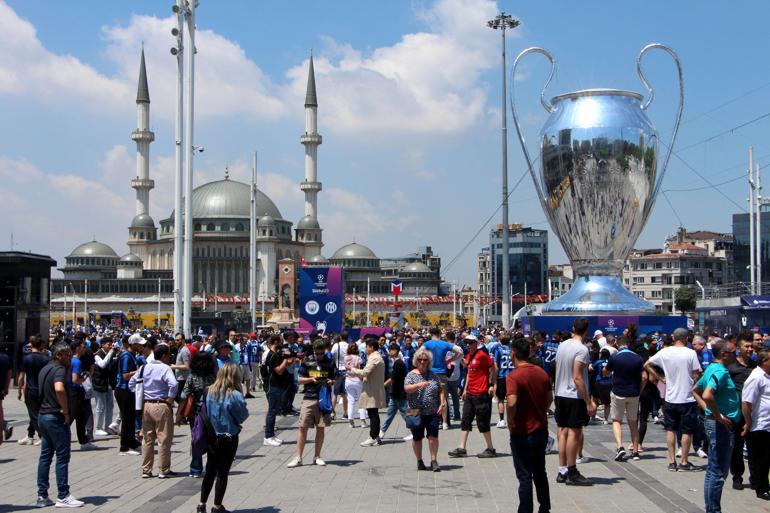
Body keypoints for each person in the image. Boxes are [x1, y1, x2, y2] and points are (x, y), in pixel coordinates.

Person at [692, 340, 740, 513]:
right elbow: (706, 394)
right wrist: (717, 415)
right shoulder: (719, 371)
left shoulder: (712, 368)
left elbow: (695, 390)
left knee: (713, 470)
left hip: (716, 423)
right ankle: (713, 510)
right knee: (718, 472)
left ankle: (711, 509)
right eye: (734, 352)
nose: (737, 355)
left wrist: (708, 411)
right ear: (723, 354)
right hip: (721, 427)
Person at [645, 327, 702, 471]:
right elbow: (696, 375)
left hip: (670, 397)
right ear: (686, 338)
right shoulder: (691, 353)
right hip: (687, 397)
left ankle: (671, 461)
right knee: (687, 431)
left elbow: (647, 364)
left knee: (671, 429)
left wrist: (660, 378)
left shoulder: (665, 352)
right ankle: (684, 460)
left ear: (674, 338)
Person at [35, 342, 84, 508]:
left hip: (43, 415)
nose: (70, 358)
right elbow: (59, 388)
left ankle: (42, 495)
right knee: (62, 457)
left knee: (45, 456)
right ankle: (63, 495)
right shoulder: (59, 369)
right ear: (58, 356)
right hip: (55, 416)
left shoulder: (45, 368)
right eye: (67, 355)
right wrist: (65, 411)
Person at [507, 337, 552, 513]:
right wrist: (540, 411)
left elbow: (511, 402)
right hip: (541, 429)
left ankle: (525, 510)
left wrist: (511, 419)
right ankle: (545, 507)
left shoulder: (514, 376)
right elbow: (549, 399)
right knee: (540, 471)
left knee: (525, 475)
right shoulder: (541, 373)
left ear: (513, 354)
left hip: (522, 432)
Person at [196, 363, 249, 513]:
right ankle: (217, 506)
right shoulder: (235, 394)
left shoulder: (208, 391)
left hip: (211, 436)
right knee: (222, 473)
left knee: (210, 470)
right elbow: (242, 416)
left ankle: (201, 504)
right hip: (228, 437)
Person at [553, 318, 595, 486]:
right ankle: (572, 470)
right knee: (574, 433)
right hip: (573, 395)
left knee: (562, 431)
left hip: (560, 393)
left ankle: (562, 469)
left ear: (573, 328)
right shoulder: (582, 349)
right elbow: (577, 377)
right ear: (586, 331)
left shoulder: (562, 345)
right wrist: (588, 401)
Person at [129, 343, 178, 478]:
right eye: (168, 355)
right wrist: (170, 398)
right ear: (163, 356)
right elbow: (173, 384)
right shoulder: (165, 368)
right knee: (163, 438)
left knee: (147, 439)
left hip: (146, 405)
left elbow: (131, 383)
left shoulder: (144, 367)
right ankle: (163, 469)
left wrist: (140, 395)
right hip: (161, 404)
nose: (170, 358)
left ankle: (146, 469)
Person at [448, 334, 497, 458]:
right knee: (466, 420)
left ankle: (490, 448)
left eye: (470, 343)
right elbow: (469, 373)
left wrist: (491, 384)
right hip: (470, 393)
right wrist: (465, 390)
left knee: (482, 422)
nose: (468, 345)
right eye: (466, 343)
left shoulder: (482, 355)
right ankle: (462, 448)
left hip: (481, 393)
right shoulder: (469, 356)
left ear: (476, 343)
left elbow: (494, 367)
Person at [288, 340, 335, 467]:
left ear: (324, 350)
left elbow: (335, 378)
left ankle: (317, 456)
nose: (319, 355)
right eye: (317, 353)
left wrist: (331, 381)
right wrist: (311, 379)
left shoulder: (330, 361)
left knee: (321, 428)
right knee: (302, 427)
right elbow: (299, 379)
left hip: (323, 398)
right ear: (313, 350)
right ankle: (298, 457)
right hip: (309, 397)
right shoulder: (307, 361)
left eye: (321, 353)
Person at [404, 347, 446, 472]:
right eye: (420, 359)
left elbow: (441, 389)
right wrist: (418, 385)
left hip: (432, 411)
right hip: (414, 410)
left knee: (433, 437)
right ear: (416, 361)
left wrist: (442, 402)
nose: (422, 362)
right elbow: (406, 389)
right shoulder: (411, 375)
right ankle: (419, 461)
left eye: (425, 360)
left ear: (429, 361)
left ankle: (434, 460)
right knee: (417, 438)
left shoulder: (433, 375)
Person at [604, 336, 645, 461]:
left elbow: (606, 371)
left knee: (616, 420)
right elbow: (644, 377)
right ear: (628, 344)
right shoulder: (638, 358)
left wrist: (606, 372)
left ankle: (620, 446)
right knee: (633, 422)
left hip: (618, 392)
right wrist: (640, 390)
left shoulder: (615, 357)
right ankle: (636, 451)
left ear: (618, 344)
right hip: (633, 393)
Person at [180, 351, 217, 478]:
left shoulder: (192, 376)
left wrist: (179, 414)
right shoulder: (214, 376)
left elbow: (184, 395)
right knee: (212, 440)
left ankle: (196, 469)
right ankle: (212, 467)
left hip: (197, 412)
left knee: (196, 438)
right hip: (212, 411)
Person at [726, 332, 756, 490]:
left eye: (751, 346)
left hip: (753, 412)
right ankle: (737, 476)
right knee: (736, 446)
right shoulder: (731, 367)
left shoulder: (755, 366)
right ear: (739, 348)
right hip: (736, 412)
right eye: (747, 346)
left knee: (754, 446)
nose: (750, 349)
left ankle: (755, 477)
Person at [741, 350, 770, 501]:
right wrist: (748, 422)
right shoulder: (756, 377)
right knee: (761, 459)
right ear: (764, 361)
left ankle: (762, 483)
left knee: (765, 458)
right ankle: (761, 487)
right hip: (760, 424)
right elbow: (746, 402)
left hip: (767, 424)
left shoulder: (767, 376)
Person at [347, 338, 386, 447]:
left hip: (372, 390)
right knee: (373, 413)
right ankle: (376, 436)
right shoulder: (375, 357)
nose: (365, 349)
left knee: (372, 413)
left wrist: (352, 369)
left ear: (371, 347)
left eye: (366, 347)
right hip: (373, 388)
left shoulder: (374, 358)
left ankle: (372, 437)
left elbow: (365, 372)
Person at [423, 327, 463, 430]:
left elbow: (418, 354)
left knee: (431, 397)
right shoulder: (445, 344)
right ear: (440, 334)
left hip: (431, 373)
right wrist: (450, 360)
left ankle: (434, 420)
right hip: (442, 373)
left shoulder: (427, 344)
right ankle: (445, 422)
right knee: (443, 398)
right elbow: (460, 351)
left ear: (430, 333)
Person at [17, 335, 50, 445]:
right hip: (42, 389)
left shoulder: (26, 359)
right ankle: (30, 435)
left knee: (34, 414)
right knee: (36, 412)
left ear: (31, 345)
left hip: (30, 389)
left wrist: (19, 389)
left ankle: (43, 436)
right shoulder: (45, 359)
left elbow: (21, 376)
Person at [263, 335, 294, 447]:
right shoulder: (272, 355)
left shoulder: (277, 354)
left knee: (274, 411)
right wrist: (286, 359)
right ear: (275, 342)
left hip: (278, 385)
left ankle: (271, 435)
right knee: (272, 412)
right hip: (273, 386)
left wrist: (293, 357)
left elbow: (288, 364)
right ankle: (268, 436)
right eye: (280, 341)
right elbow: (279, 370)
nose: (282, 343)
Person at [115, 334, 143, 455]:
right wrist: (140, 371)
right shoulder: (126, 356)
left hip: (130, 390)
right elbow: (125, 375)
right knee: (127, 418)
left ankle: (131, 442)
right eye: (139, 344)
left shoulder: (133, 355)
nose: (141, 346)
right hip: (124, 390)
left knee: (131, 418)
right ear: (134, 344)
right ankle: (124, 447)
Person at [69, 337, 96, 450]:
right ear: (77, 348)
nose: (84, 348)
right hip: (76, 391)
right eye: (82, 346)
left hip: (74, 391)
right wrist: (83, 379)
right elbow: (75, 379)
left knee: (80, 417)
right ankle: (57, 438)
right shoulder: (77, 362)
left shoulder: (71, 360)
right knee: (72, 416)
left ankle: (84, 441)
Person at [379, 343, 410, 440]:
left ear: (395, 351)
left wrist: (381, 386)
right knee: (390, 414)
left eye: (391, 350)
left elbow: (393, 379)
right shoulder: (398, 363)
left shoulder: (399, 363)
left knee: (406, 414)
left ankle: (415, 430)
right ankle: (381, 433)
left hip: (400, 393)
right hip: (395, 393)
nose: (389, 352)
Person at [91, 336, 116, 436]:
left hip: (108, 384)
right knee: (100, 407)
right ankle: (98, 427)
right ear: (102, 345)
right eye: (108, 344)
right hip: (99, 383)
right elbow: (102, 365)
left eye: (111, 344)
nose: (110, 346)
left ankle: (108, 426)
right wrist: (110, 354)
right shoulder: (97, 355)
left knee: (110, 406)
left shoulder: (110, 354)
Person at [344, 342, 367, 428]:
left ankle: (351, 420)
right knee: (361, 400)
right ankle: (363, 421)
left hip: (348, 380)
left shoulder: (346, 358)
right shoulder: (358, 358)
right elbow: (361, 368)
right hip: (357, 380)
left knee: (351, 400)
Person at [494, 336, 512, 429]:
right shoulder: (512, 349)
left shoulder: (498, 349)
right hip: (511, 376)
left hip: (501, 376)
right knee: (510, 399)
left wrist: (494, 377)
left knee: (500, 399)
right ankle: (511, 419)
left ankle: (501, 420)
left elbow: (496, 364)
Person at [330, 333, 350, 420]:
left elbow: (331, 356)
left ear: (341, 337)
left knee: (335, 393)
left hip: (338, 371)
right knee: (344, 394)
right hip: (347, 371)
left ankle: (332, 412)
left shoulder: (336, 345)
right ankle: (345, 413)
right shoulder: (349, 346)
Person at [590, 349, 613, 424]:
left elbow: (591, 369)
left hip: (599, 382)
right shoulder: (610, 362)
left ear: (602, 354)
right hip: (608, 383)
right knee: (607, 403)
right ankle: (606, 420)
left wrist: (590, 365)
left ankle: (593, 417)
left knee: (594, 399)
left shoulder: (598, 362)